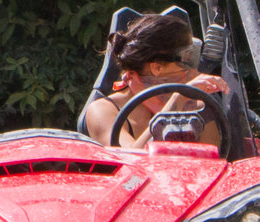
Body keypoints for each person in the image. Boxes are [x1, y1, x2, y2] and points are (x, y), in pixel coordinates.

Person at [82, 13, 226, 149]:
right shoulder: (102, 110)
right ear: (157, 67)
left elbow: (213, 162)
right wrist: (177, 99)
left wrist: (192, 104)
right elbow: (132, 161)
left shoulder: (194, 106)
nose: (190, 68)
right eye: (185, 59)